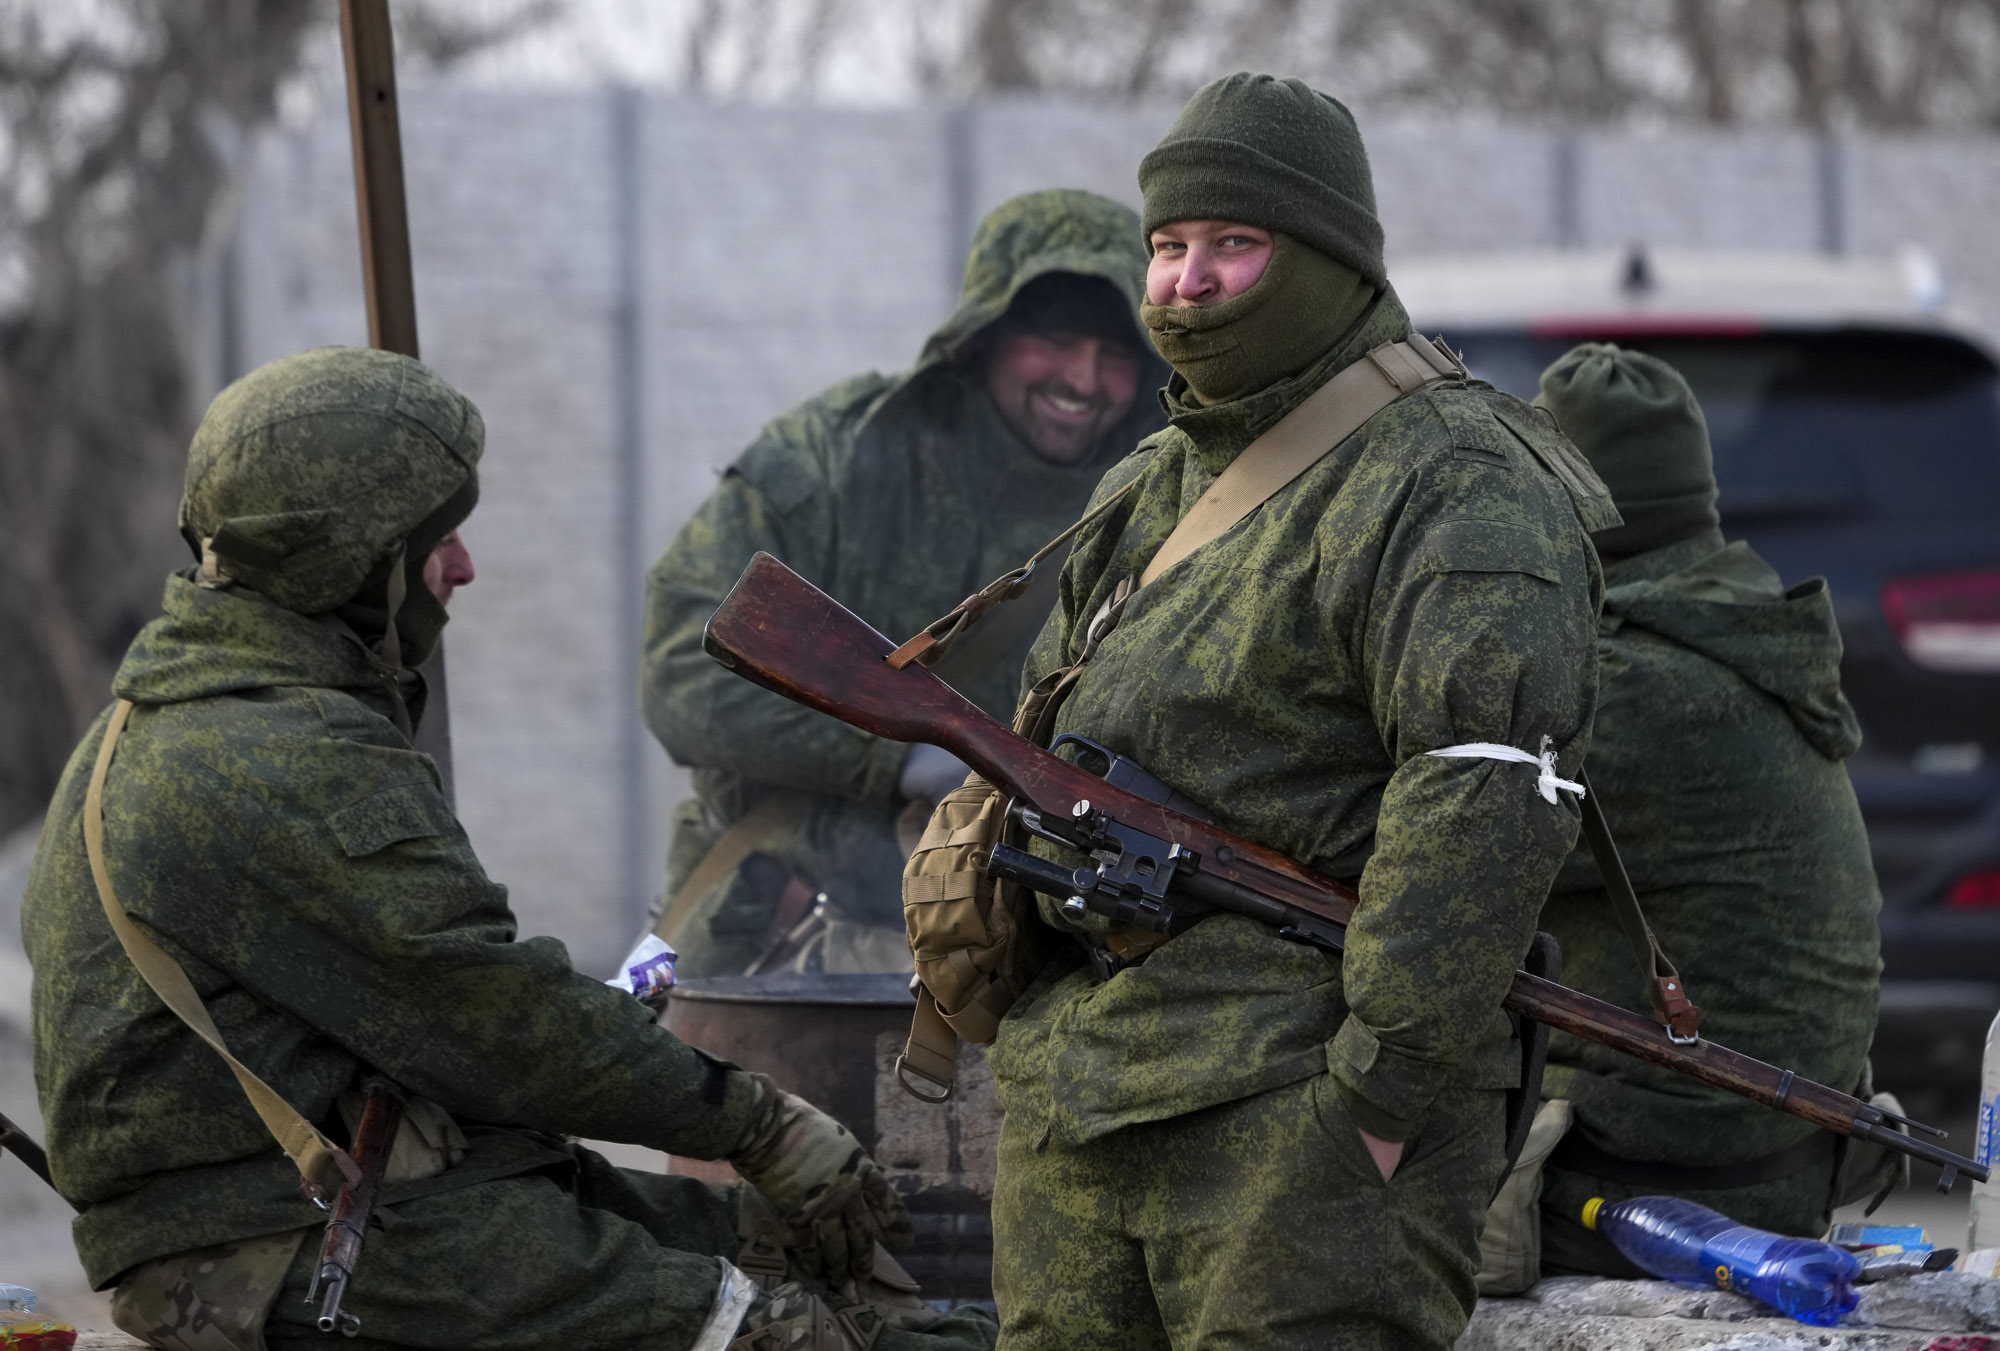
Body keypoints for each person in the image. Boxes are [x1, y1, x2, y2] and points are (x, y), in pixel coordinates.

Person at [21, 347, 996, 1351]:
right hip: (275, 1245)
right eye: (434, 540)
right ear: (349, 564)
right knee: (785, 1333)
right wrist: (761, 1125)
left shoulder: (177, 724)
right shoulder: (269, 756)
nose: (464, 566)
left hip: (360, 1199)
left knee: (784, 1251)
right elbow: (495, 1017)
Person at [977, 74, 1617, 1349]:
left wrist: (1372, 1107)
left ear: (1327, 257)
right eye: (1166, 247)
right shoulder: (1155, 475)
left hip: (1295, 1123)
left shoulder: (1452, 479)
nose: (1187, 282)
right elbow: (1039, 738)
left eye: (1234, 243)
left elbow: (1481, 801)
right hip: (1084, 1102)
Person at [641, 188, 1163, 978]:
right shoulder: (838, 457)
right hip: (775, 935)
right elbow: (683, 674)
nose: (1084, 379)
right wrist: (902, 751)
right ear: (986, 336)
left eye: (1116, 354)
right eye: (1054, 340)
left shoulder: (1163, 492)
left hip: (1036, 958)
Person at [1528, 343, 1884, 1277]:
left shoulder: (1637, 688)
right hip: (1767, 1163)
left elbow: (1398, 846)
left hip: (1668, 1188)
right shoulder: (1717, 628)